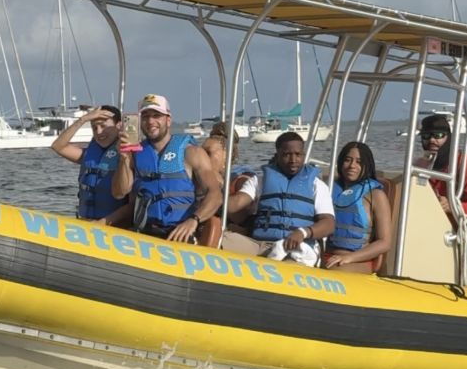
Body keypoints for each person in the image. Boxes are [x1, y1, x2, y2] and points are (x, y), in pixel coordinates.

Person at [112, 94, 221, 242]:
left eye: (157, 115)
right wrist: (124, 159)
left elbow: (215, 194)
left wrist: (194, 220)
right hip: (145, 233)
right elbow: (119, 193)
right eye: (145, 116)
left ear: (168, 120)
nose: (150, 121)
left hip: (180, 234)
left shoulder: (192, 153)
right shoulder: (135, 154)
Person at [221, 131, 335, 265]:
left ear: (303, 155)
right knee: (221, 239)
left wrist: (303, 232)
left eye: (298, 154)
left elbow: (329, 223)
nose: (293, 160)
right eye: (287, 154)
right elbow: (235, 204)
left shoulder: (317, 185)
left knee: (288, 266)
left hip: (295, 248)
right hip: (260, 245)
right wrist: (216, 187)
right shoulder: (260, 180)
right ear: (277, 155)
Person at [418, 114, 467, 268]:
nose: (432, 140)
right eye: (426, 136)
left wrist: (452, 205)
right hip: (439, 227)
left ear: (449, 137)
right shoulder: (420, 166)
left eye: (438, 135)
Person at [50, 105, 130, 225]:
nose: (99, 132)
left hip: (114, 227)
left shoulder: (130, 155)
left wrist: (102, 222)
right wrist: (83, 119)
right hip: (85, 224)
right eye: (94, 128)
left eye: (103, 126)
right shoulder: (87, 154)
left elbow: (132, 204)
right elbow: (58, 146)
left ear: (119, 126)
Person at [324, 141, 392, 272]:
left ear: (367, 165)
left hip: (357, 260)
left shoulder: (376, 196)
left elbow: (384, 242)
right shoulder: (328, 189)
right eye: (347, 160)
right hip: (326, 255)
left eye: (358, 162)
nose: (352, 166)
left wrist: (350, 257)